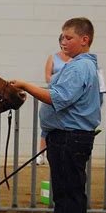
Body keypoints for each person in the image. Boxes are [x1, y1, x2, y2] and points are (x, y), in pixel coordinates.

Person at [11, 17, 102, 213]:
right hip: (70, 136)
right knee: (72, 194)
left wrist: (25, 85)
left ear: (84, 40)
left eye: (69, 37)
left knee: (66, 195)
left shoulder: (79, 67)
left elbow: (58, 98)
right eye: (61, 37)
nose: (63, 42)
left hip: (69, 137)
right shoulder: (79, 66)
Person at [37, 34, 71, 165]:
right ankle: (41, 154)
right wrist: (62, 79)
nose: (64, 43)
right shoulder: (53, 57)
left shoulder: (76, 60)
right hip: (54, 93)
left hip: (68, 96)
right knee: (47, 127)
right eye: (63, 41)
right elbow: (48, 77)